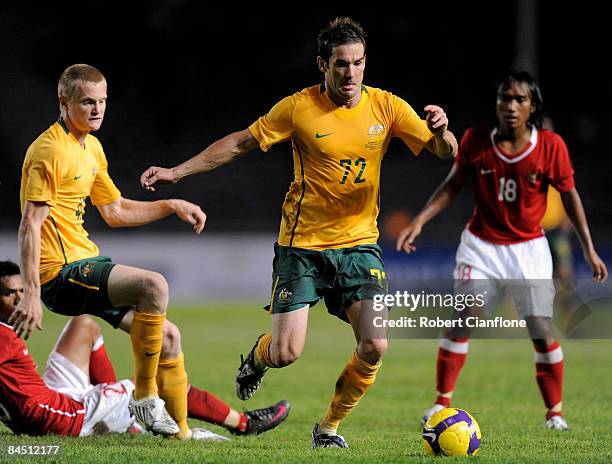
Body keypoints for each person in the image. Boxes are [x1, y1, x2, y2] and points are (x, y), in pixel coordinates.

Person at [140, 17, 457, 448]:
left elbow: (444, 152)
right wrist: (179, 172)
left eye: (358, 63)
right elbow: (239, 143)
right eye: (341, 64)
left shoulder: (386, 107)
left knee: (375, 345)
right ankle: (257, 356)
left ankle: (327, 428)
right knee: (287, 353)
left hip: (359, 245)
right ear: (322, 65)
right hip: (302, 247)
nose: (350, 73)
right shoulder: (298, 108)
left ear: (366, 64)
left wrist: (441, 132)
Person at [396, 70, 608, 430]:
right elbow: (453, 184)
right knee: (467, 316)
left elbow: (570, 197)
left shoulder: (551, 147)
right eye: (505, 98)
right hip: (481, 246)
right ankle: (440, 403)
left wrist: (588, 248)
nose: (511, 106)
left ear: (532, 106)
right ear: (497, 104)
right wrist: (420, 220)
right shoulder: (476, 140)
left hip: (529, 249)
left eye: (519, 99)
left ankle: (554, 412)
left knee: (541, 328)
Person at [14, 63, 209, 439]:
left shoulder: (91, 147)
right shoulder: (49, 150)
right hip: (60, 273)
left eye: (102, 101)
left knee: (168, 337)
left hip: (86, 263)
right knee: (154, 286)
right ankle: (145, 395)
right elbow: (29, 225)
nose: (97, 109)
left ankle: (181, 434)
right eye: (87, 102)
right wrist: (33, 293)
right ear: (63, 101)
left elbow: (115, 211)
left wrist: (171, 205)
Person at [0, 261, 289, 438]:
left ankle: (116, 411)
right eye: (9, 292)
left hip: (50, 397)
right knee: (152, 390)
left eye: (23, 290)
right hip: (63, 416)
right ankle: (242, 423)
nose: (19, 298)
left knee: (84, 325)